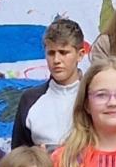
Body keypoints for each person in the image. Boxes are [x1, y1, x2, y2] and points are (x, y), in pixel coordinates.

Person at [12, 17, 87, 152]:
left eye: (64, 52)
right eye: (51, 53)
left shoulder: (94, 97)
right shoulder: (29, 99)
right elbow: (18, 157)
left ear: (80, 55)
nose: (56, 60)